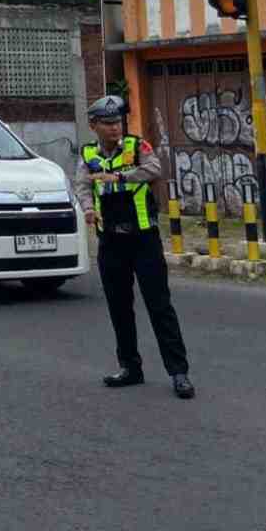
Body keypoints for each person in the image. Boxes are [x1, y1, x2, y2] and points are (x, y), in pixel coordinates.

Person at [74, 96, 194, 400]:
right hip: (111, 240)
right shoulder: (88, 153)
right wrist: (88, 208)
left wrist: (119, 176)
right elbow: (83, 185)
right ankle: (130, 367)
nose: (115, 128)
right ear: (94, 126)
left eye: (118, 123)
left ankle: (179, 373)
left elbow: (154, 170)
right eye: (108, 123)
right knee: (119, 306)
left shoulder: (137, 147)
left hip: (144, 239)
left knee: (159, 305)